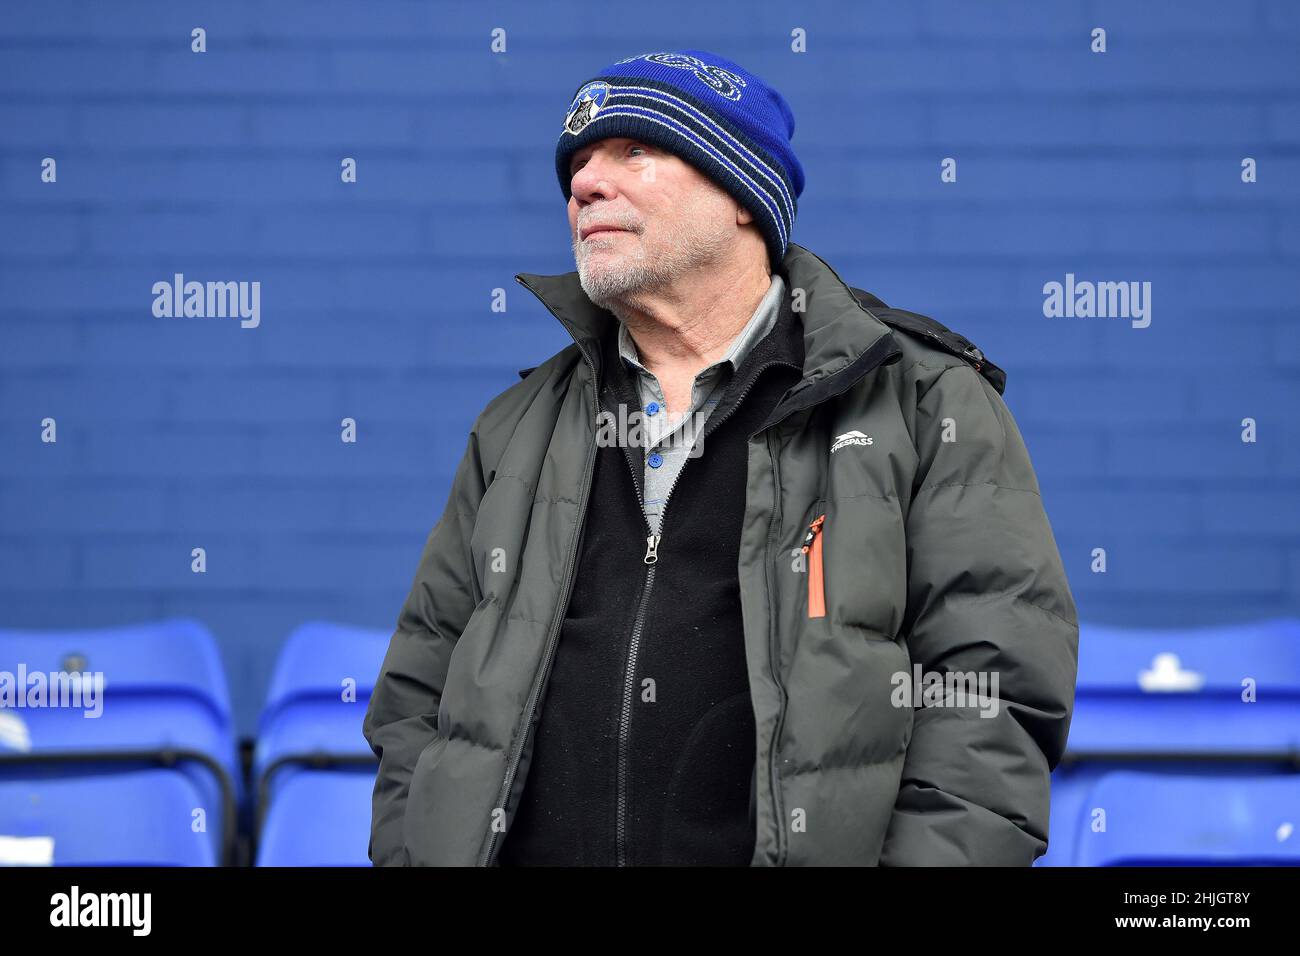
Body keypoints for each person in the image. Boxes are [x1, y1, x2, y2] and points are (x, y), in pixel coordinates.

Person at [362, 49, 1079, 866]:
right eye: (579, 164)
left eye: (635, 151)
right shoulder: (517, 426)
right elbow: (416, 699)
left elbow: (988, 699)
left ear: (742, 195)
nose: (586, 183)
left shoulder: (922, 405)